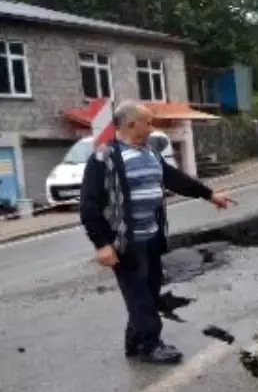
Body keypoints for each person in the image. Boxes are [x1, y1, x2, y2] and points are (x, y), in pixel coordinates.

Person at [79, 102, 233, 364]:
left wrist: (209, 195)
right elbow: (88, 205)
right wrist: (102, 244)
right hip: (125, 243)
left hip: (151, 238)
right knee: (139, 295)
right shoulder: (104, 158)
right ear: (130, 125)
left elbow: (176, 179)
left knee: (148, 293)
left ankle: (135, 342)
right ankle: (151, 344)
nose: (152, 128)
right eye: (147, 122)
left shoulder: (150, 154)